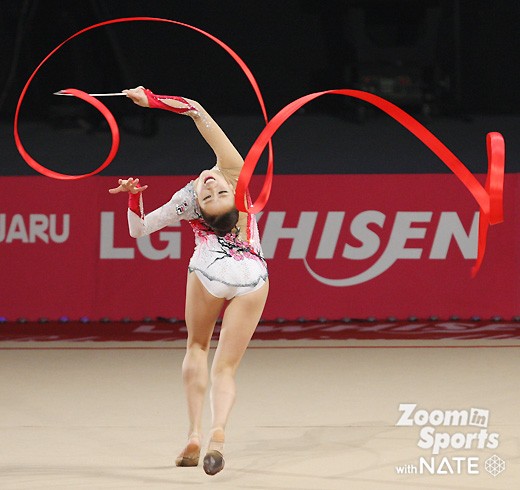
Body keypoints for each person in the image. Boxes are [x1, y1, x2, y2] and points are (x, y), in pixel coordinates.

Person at [109, 86, 269, 476]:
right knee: (225, 369)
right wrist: (152, 101)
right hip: (253, 275)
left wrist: (151, 99)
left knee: (197, 346)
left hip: (211, 269)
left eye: (213, 193)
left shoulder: (186, 202)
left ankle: (196, 433)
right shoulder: (236, 176)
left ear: (200, 210)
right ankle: (216, 437)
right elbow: (197, 110)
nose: (212, 184)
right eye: (215, 191)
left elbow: (139, 229)